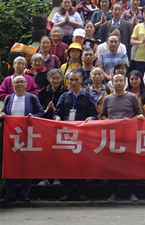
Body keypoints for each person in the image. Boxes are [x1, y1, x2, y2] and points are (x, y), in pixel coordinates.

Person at [53, 69, 98, 201]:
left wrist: (90, 119)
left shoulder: (88, 96)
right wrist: (56, 118)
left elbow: (94, 115)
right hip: (66, 135)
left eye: (76, 80)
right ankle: (68, 192)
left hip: (82, 135)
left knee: (82, 164)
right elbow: (57, 112)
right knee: (65, 163)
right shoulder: (64, 96)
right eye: (71, 80)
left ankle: (80, 192)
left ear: (81, 80)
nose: (73, 82)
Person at [0, 75, 43, 205]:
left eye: (22, 82)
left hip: (27, 135)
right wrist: (2, 115)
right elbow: (3, 112)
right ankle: (10, 194)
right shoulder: (8, 98)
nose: (19, 84)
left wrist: (32, 117)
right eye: (16, 82)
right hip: (11, 136)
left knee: (25, 164)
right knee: (10, 164)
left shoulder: (32, 98)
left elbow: (40, 112)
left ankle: (25, 194)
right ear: (12, 85)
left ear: (26, 84)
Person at [100, 73, 144, 201]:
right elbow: (103, 115)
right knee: (111, 166)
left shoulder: (132, 97)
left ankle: (130, 193)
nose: (118, 83)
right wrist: (107, 121)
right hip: (112, 138)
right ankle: (114, 193)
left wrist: (130, 121)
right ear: (112, 83)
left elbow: (139, 114)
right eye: (116, 81)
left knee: (130, 165)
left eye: (121, 81)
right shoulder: (107, 98)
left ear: (125, 83)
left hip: (128, 136)